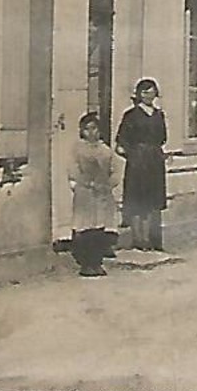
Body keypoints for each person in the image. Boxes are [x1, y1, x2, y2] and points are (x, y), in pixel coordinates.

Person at [115, 78, 168, 252]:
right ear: (138, 94)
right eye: (144, 92)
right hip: (138, 160)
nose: (148, 95)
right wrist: (133, 153)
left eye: (151, 91)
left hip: (154, 160)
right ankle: (138, 238)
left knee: (152, 200)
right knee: (137, 199)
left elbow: (162, 138)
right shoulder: (131, 115)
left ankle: (149, 237)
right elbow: (121, 140)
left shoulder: (159, 115)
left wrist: (157, 153)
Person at [69, 114, 119, 277]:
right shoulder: (78, 149)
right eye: (87, 129)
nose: (91, 133)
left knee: (99, 227)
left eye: (94, 128)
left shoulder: (105, 150)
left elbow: (115, 171)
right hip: (85, 192)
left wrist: (108, 185)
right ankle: (86, 263)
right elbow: (73, 170)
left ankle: (97, 262)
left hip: (101, 194)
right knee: (85, 227)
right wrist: (83, 184)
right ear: (82, 131)